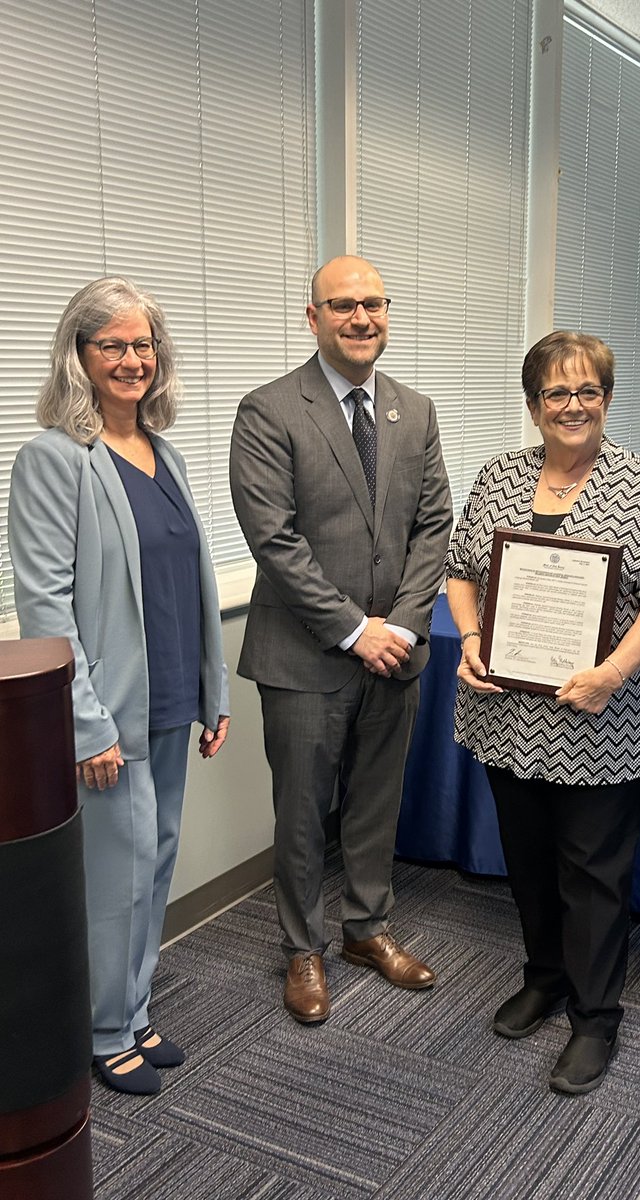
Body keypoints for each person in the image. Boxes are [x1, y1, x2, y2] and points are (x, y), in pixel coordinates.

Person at [445, 331, 640, 1095]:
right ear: (533, 405)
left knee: (593, 873)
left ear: (608, 399)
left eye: (589, 391)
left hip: (602, 720)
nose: (574, 405)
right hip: (508, 715)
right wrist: (472, 637)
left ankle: (595, 1017)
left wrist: (613, 672)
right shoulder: (497, 475)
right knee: (528, 861)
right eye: (557, 393)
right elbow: (461, 571)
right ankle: (545, 977)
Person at [9, 277, 230, 1096]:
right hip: (110, 714)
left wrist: (215, 693)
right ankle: (104, 1030)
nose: (133, 360)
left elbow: (191, 583)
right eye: (114, 345)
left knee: (154, 862)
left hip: (173, 700)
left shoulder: (161, 453)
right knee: (115, 875)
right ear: (79, 355)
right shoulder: (53, 458)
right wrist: (85, 723)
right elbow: (44, 604)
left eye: (144, 345)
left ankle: (133, 1009)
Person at [230, 255, 453, 1025]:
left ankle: (366, 928)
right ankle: (303, 948)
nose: (362, 318)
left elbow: (433, 528)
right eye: (343, 305)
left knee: (374, 802)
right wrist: (357, 630)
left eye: (374, 304)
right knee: (301, 813)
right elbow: (275, 540)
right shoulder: (268, 411)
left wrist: (405, 624)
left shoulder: (414, 411)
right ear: (313, 317)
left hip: (396, 651)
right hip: (305, 656)